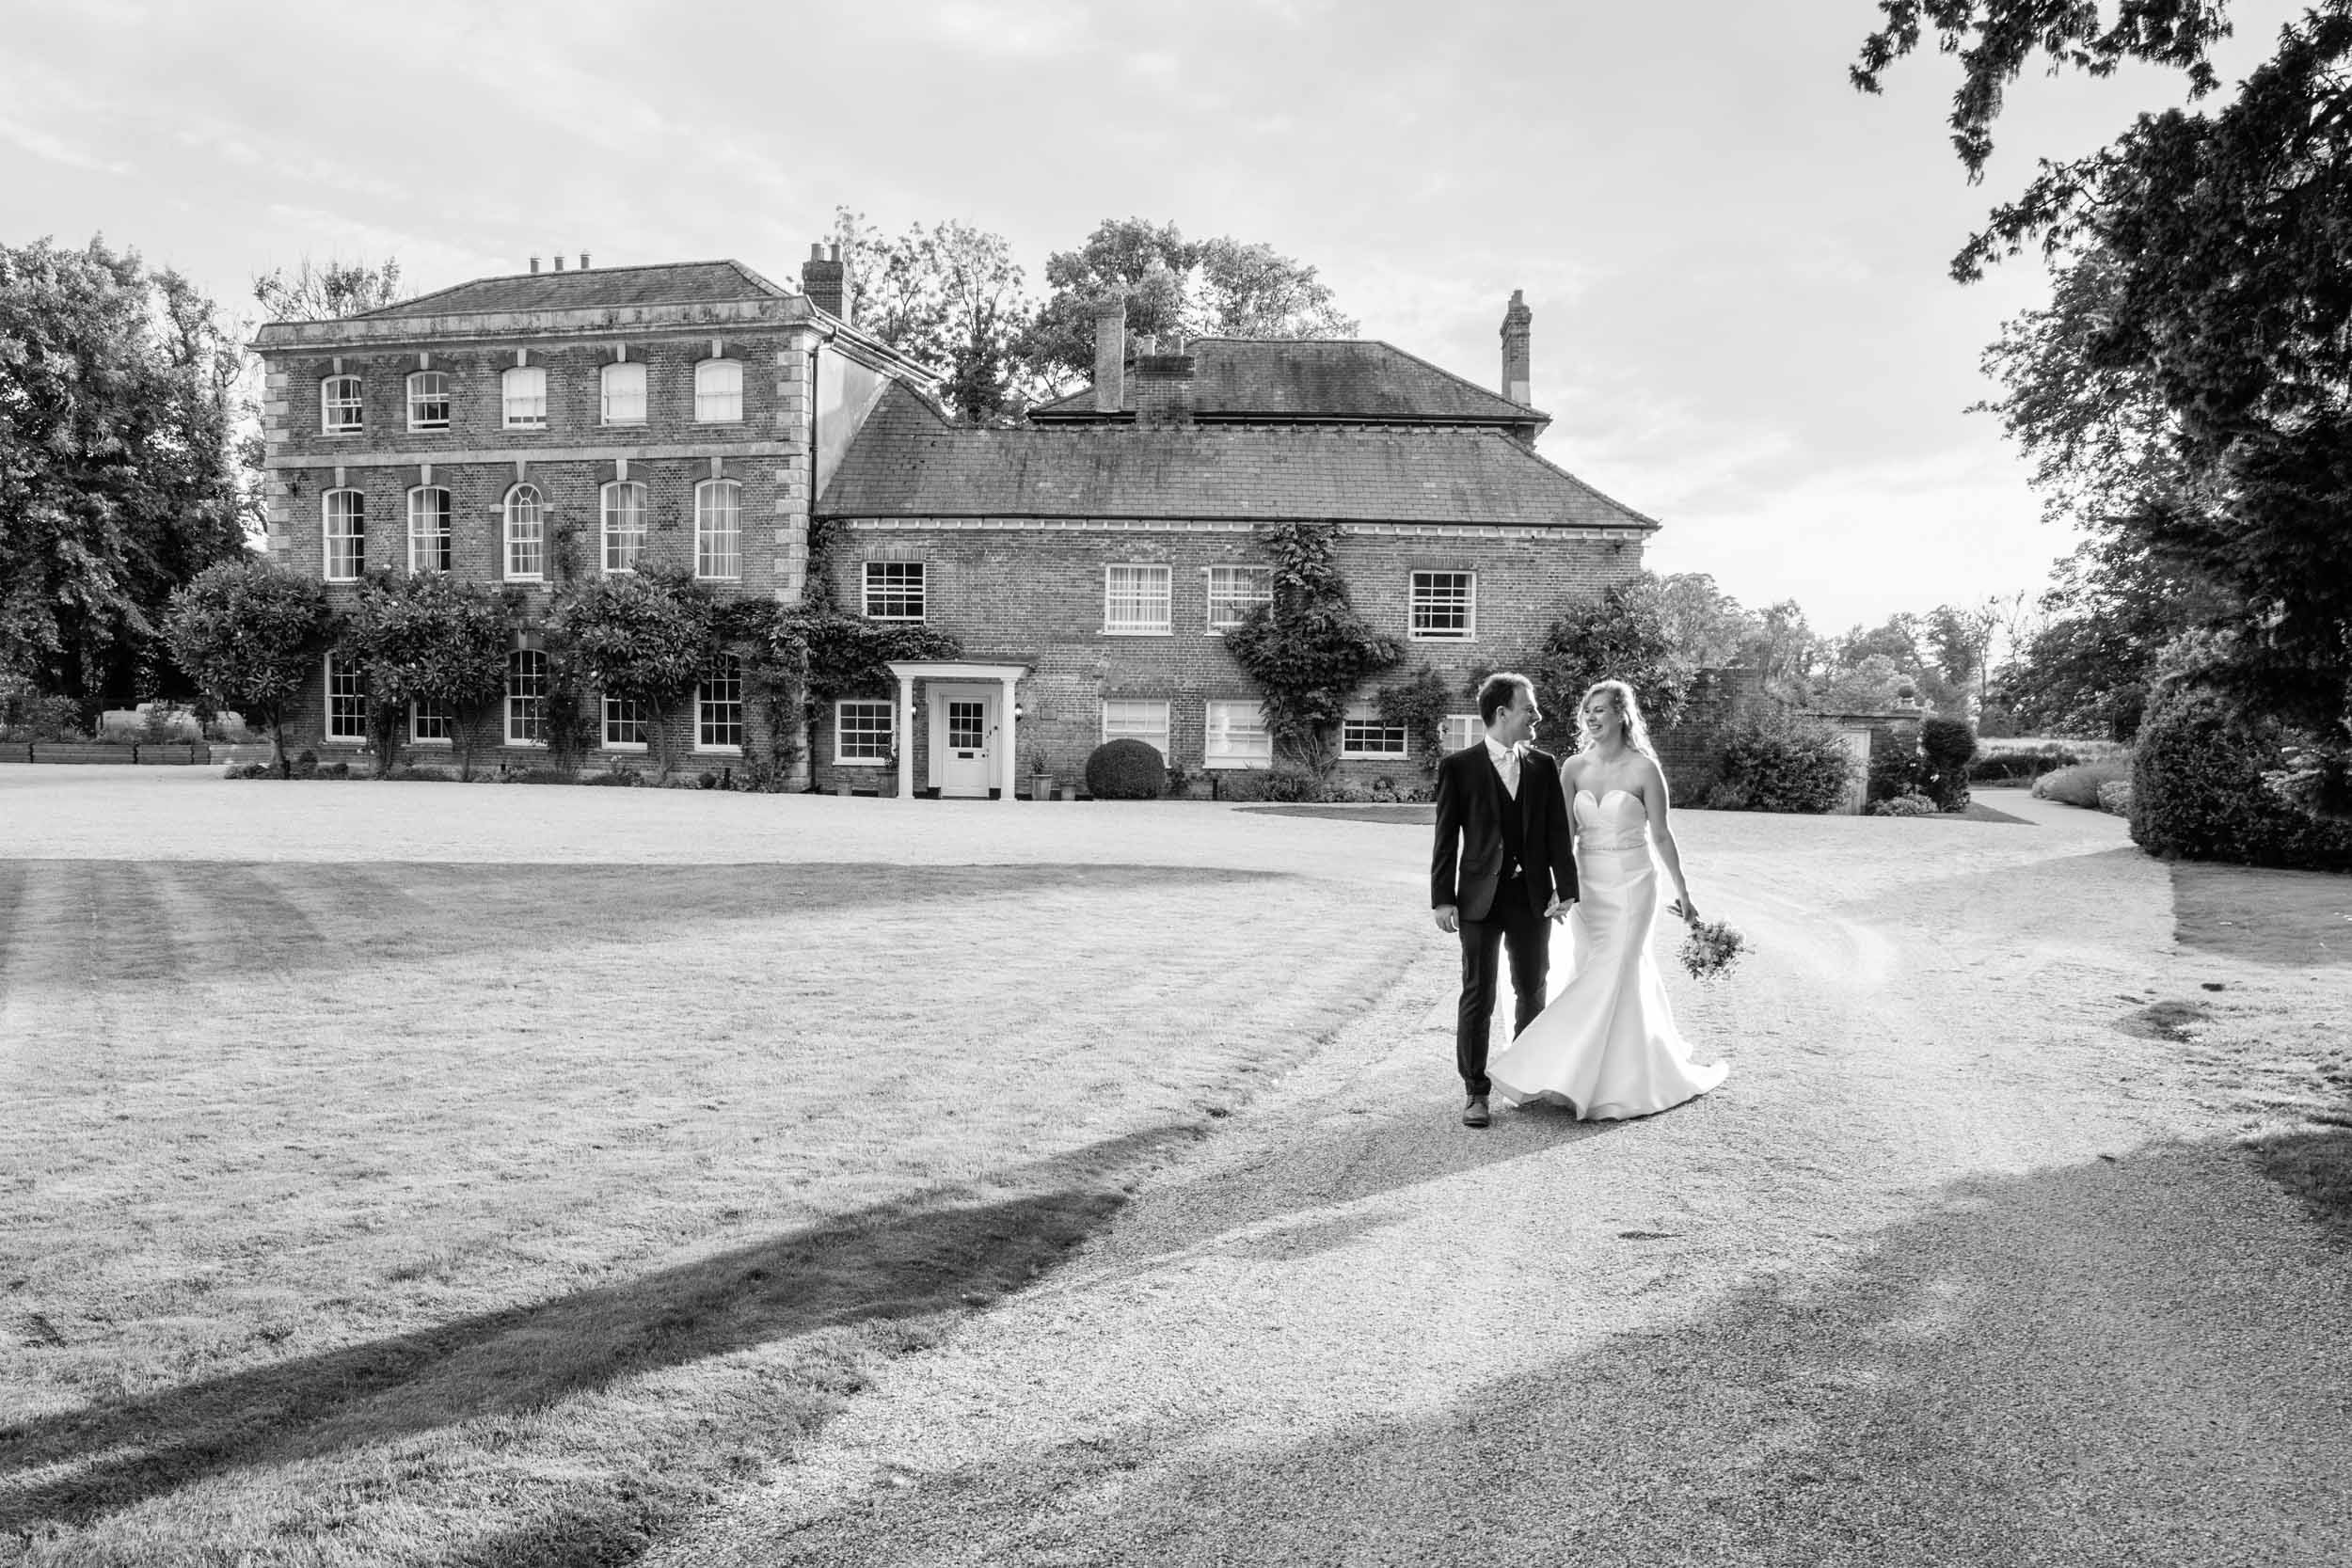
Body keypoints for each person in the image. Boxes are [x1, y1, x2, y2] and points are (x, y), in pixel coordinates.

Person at [1486, 678, 1729, 1119]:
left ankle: (1604, 1080)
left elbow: (1661, 834)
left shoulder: (1644, 770)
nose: (1592, 718)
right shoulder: (1574, 768)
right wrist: (1559, 888)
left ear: (1622, 714)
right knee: (1592, 972)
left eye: (1601, 709)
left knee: (1612, 972)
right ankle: (1576, 1073)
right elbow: (1563, 838)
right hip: (1588, 887)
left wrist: (1685, 893)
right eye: (1588, 711)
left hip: (1634, 885)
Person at [1430, 672, 1578, 1129]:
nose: (1537, 716)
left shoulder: (1542, 765)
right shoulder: (1459, 767)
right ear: (1502, 713)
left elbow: (1557, 834)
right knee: (1479, 992)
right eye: (1529, 708)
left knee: (1532, 988)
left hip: (1531, 897)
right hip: (1478, 899)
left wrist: (1566, 888)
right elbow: (1445, 838)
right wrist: (1443, 898)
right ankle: (1476, 1091)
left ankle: (1525, 1078)